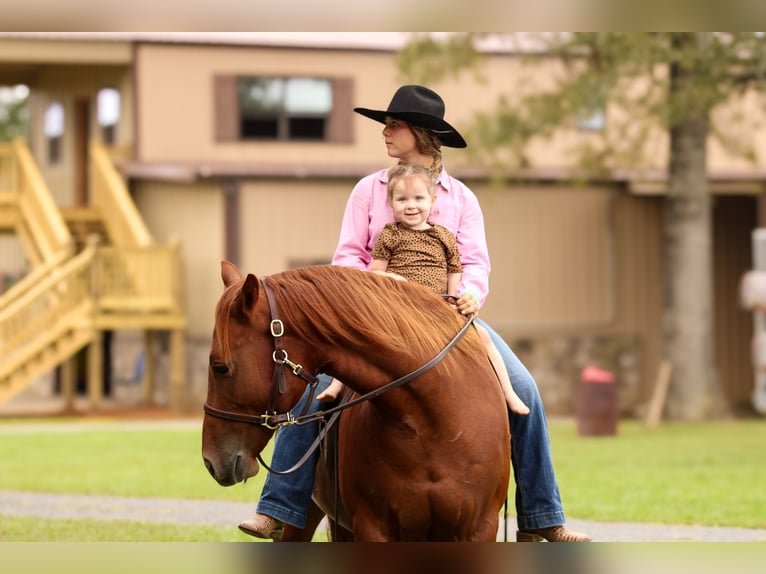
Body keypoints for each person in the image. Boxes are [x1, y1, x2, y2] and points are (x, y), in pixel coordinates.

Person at [239, 84, 591, 543]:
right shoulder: (368, 190)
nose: (385, 132)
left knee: (524, 388)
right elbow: (347, 256)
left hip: (447, 317)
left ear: (421, 133)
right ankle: (279, 506)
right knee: (316, 388)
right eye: (386, 125)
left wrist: (469, 294)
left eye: (394, 124)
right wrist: (378, 287)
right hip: (373, 320)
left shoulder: (461, 198)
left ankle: (544, 514)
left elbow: (475, 261)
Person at [316, 163, 530, 416]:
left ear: (433, 200)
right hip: (395, 305)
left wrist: (462, 298)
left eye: (418, 198)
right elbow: (369, 267)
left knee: (516, 376)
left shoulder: (450, 222)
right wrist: (390, 280)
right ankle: (337, 385)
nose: (411, 205)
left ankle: (510, 394)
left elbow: (462, 266)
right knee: (347, 349)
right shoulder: (387, 229)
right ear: (391, 202)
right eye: (402, 199)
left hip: (438, 306)